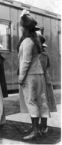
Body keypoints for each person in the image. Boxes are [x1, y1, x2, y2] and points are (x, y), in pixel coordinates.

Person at [17, 10, 49, 140]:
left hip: (30, 76)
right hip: (39, 74)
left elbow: (26, 61)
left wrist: (21, 77)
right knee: (41, 100)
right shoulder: (35, 40)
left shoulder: (26, 42)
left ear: (24, 28)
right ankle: (42, 128)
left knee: (31, 101)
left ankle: (35, 131)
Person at [38, 33, 57, 135]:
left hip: (43, 81)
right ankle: (41, 125)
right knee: (40, 103)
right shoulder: (41, 54)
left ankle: (44, 125)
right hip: (42, 80)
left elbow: (42, 68)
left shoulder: (43, 55)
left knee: (43, 103)